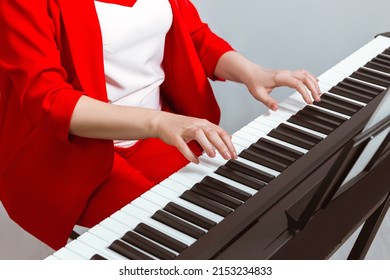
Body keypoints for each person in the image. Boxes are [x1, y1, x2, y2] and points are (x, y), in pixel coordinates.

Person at [0, 0, 321, 251]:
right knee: (174, 238)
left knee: (234, 221)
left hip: (163, 133)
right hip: (75, 155)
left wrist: (253, 72)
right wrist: (157, 122)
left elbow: (192, 34)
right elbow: (48, 99)